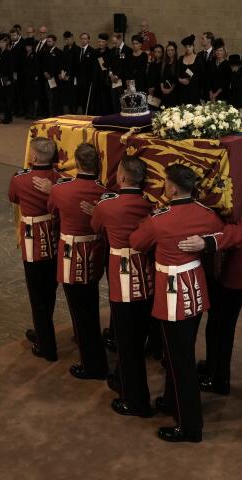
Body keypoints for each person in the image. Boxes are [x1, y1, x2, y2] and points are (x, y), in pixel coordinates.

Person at [130, 164, 224, 443]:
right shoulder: (206, 215)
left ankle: (189, 425)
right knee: (181, 355)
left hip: (172, 296)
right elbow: (219, 232)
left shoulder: (160, 219)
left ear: (171, 188)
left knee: (179, 361)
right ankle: (174, 402)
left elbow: (136, 242)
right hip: (195, 290)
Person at [179, 176, 242, 405]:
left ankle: (219, 378)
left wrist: (209, 242)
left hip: (239, 267)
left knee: (222, 326)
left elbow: (241, 231)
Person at [90, 156, 155, 418]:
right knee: (138, 335)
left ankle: (135, 400)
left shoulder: (108, 206)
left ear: (122, 177)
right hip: (149, 274)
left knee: (127, 342)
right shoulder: (151, 204)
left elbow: (96, 227)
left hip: (123, 277)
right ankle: (122, 378)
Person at [47, 143, 108, 380]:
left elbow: (52, 211)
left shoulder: (61, 189)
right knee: (90, 304)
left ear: (78, 163)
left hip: (72, 255)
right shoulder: (105, 191)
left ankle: (93, 364)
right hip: (96, 252)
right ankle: (89, 345)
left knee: (80, 309)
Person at [8, 137, 61, 361]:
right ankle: (42, 330)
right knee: (49, 291)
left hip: (34, 242)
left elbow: (13, 198)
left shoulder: (20, 179)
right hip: (55, 238)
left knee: (37, 296)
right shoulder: (59, 180)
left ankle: (46, 345)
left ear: (34, 156)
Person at [40, 35, 62, 117]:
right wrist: (45, 72)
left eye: (50, 41)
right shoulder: (44, 51)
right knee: (48, 97)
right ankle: (49, 114)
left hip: (55, 79)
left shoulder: (59, 52)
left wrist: (53, 74)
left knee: (54, 98)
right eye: (47, 41)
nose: (48, 43)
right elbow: (42, 63)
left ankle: (55, 115)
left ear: (54, 42)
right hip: (47, 78)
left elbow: (59, 66)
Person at [74, 32, 96, 114]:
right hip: (79, 80)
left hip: (88, 80)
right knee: (80, 98)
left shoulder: (92, 51)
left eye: (85, 38)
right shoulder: (78, 51)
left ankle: (88, 114)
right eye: (82, 38)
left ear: (88, 40)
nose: (83, 40)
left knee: (87, 99)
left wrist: (92, 80)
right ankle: (82, 114)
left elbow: (93, 67)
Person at [0, 34, 14, 124]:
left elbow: (10, 67)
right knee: (2, 97)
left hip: (6, 78)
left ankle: (8, 117)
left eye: (3, 42)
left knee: (7, 98)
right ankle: (6, 116)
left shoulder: (9, 53)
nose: (1, 44)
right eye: (0, 42)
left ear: (6, 43)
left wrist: (10, 79)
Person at [177, 35, 201, 105]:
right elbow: (177, 72)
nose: (188, 48)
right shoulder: (181, 58)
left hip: (194, 89)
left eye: (189, 46)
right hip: (182, 89)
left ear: (193, 47)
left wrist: (190, 80)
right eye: (186, 47)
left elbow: (201, 75)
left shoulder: (198, 59)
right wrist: (180, 80)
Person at [160, 41, 179, 107]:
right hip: (164, 91)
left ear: (175, 51)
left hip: (173, 92)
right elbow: (162, 77)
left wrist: (170, 90)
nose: (170, 52)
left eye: (172, 50)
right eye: (168, 50)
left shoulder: (178, 63)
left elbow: (176, 79)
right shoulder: (164, 63)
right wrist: (162, 88)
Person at [146, 43, 165, 109]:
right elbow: (149, 77)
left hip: (160, 91)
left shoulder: (164, 64)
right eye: (155, 52)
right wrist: (150, 88)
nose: (157, 53)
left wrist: (155, 88)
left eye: (159, 52)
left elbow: (162, 78)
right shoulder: (152, 64)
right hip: (151, 92)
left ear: (162, 53)